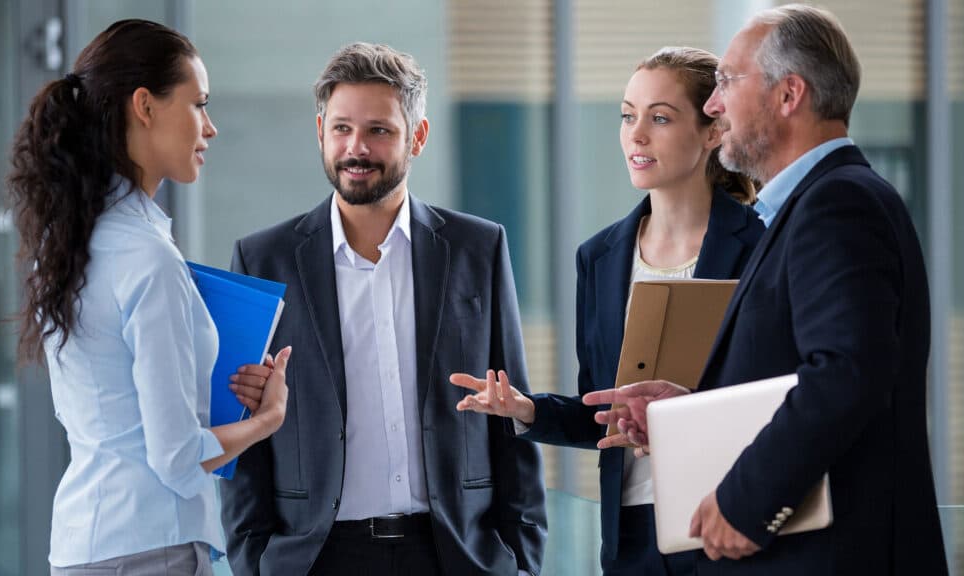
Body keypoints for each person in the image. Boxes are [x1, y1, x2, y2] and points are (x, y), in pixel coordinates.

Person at [585, 4, 949, 575]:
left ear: (789, 95)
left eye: (727, 81)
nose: (713, 103)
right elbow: (799, 376)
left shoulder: (837, 204)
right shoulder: (811, 208)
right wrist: (692, 414)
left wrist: (746, 501)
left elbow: (846, 374)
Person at [218, 42, 546, 576]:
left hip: (453, 554)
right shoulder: (263, 259)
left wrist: (522, 561)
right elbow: (246, 431)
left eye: (379, 130)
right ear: (319, 130)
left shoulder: (476, 248)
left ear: (417, 136)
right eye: (342, 128)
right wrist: (254, 562)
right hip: (315, 557)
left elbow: (512, 412)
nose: (356, 148)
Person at [450, 46, 763, 575]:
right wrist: (528, 411)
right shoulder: (599, 258)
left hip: (733, 522)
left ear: (713, 130)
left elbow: (786, 395)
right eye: (627, 115)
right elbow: (601, 408)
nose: (636, 135)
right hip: (633, 539)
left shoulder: (761, 246)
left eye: (659, 118)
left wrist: (687, 413)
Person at [7, 19, 290, 575]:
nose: (210, 128)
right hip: (147, 551)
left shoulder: (74, 242)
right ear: (145, 105)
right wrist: (267, 419)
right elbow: (179, 459)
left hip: (85, 544)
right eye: (198, 104)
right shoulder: (148, 258)